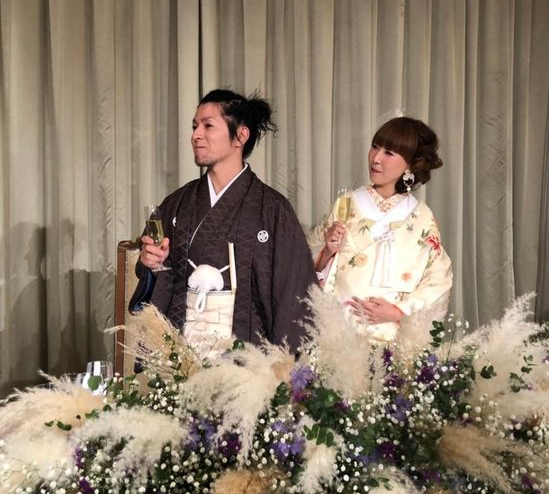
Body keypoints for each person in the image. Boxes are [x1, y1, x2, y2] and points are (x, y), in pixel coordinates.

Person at [133, 89, 317, 353]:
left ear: (241, 135)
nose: (196, 135)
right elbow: (152, 273)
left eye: (208, 126)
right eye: (194, 127)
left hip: (246, 357)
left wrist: (283, 363)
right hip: (181, 352)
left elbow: (293, 292)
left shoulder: (272, 209)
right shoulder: (177, 203)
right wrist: (150, 262)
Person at [308, 116, 453, 342]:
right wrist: (327, 251)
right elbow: (308, 261)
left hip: (393, 334)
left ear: (410, 164)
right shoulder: (347, 203)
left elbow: (439, 278)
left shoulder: (422, 217)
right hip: (342, 330)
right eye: (375, 147)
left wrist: (398, 312)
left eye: (389, 153)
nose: (376, 158)